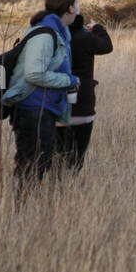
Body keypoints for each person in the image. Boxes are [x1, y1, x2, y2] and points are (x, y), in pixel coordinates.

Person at [1, 0, 80, 188]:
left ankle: (26, 206)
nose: (78, 9)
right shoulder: (46, 35)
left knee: (38, 162)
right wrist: (69, 81)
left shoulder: (57, 31)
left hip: (41, 108)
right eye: (76, 4)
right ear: (70, 8)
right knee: (32, 163)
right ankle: (22, 208)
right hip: (32, 108)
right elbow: (34, 73)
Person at [56, 12, 113, 170]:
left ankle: (55, 185)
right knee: (76, 157)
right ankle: (71, 185)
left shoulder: (52, 38)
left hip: (56, 103)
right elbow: (107, 46)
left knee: (56, 154)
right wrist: (97, 28)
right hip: (83, 104)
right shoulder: (85, 38)